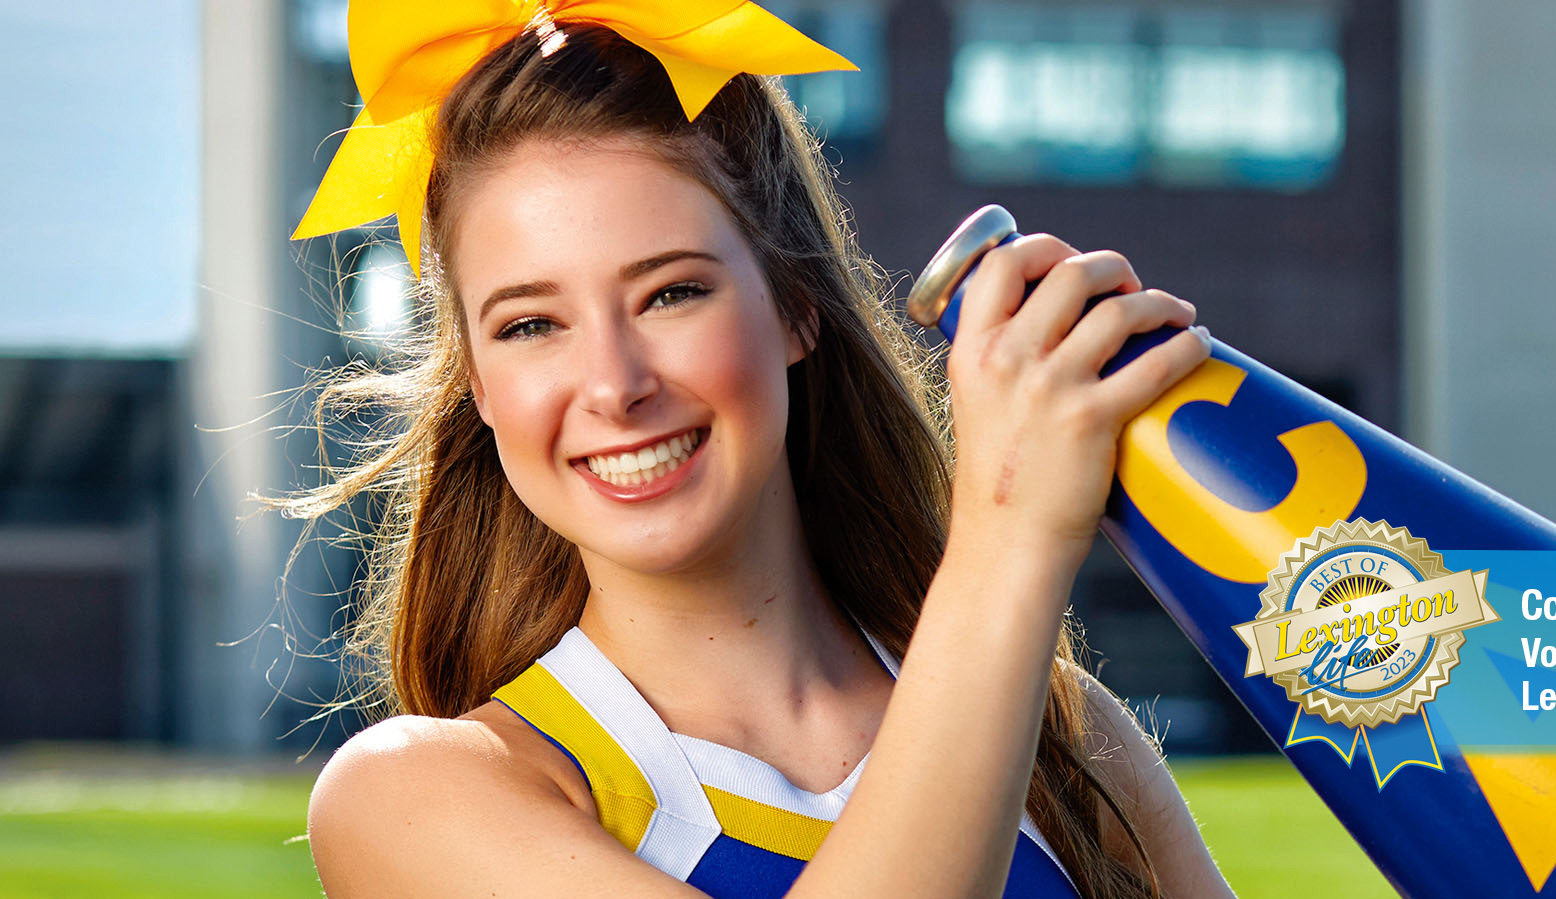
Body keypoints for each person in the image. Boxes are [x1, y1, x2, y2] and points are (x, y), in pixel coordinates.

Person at [277, 5, 1232, 897]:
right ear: (479, 386)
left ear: (793, 305)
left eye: (672, 294)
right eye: (531, 325)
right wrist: (1013, 528)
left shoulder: (1065, 733)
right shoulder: (411, 798)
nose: (614, 386)